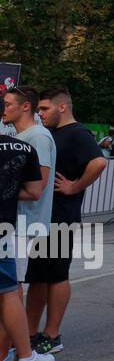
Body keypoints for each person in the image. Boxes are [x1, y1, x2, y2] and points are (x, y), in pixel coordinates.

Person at [27, 88, 105, 355]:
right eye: (38, 110)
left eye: (45, 109)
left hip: (62, 215)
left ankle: (52, 335)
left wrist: (75, 186)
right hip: (43, 217)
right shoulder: (50, 133)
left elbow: (98, 163)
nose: (40, 114)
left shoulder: (77, 133)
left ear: (62, 107)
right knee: (37, 276)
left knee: (57, 275)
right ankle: (27, 333)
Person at [0, 130, 54, 361]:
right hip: (3, 228)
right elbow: (34, 191)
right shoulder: (22, 148)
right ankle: (26, 357)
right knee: (9, 292)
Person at [3, 86, 54, 295]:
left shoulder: (38, 137)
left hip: (25, 223)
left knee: (12, 285)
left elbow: (38, 186)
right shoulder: (23, 135)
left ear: (25, 106)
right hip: (15, 222)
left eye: (7, 105)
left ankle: (15, 329)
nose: (3, 109)